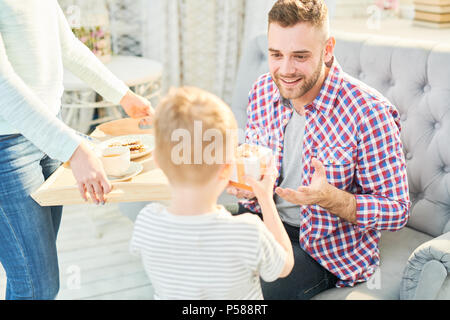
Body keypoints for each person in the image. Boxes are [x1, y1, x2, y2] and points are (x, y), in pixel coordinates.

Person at [227, 0, 411, 299]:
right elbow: (256, 159)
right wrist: (247, 184)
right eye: (276, 55)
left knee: (247, 291)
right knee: (193, 248)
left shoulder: (369, 112)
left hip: (320, 250)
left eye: (300, 56)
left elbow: (397, 211)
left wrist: (331, 198)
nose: (285, 70)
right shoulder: (262, 90)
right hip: (262, 219)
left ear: (327, 49)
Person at [0, 1, 151, 300]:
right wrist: (75, 150)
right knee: (36, 286)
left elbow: (67, 46)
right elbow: (3, 87)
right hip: (8, 148)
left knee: (32, 281)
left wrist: (124, 96)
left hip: (49, 131)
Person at [130, 87, 294, 300]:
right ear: (227, 169)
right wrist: (265, 199)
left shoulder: (146, 222)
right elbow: (284, 265)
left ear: (158, 161)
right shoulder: (248, 232)